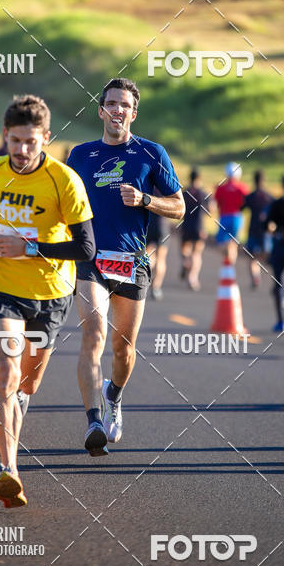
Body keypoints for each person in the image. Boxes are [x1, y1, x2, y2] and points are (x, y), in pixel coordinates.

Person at [0, 96, 94, 507]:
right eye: (15, 141)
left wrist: (30, 248)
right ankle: (9, 470)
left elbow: (86, 248)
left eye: (31, 142)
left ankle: (13, 418)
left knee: (27, 384)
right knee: (6, 372)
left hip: (50, 295)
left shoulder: (64, 181)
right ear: (5, 136)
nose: (22, 150)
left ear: (45, 138)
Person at [67, 78, 184, 456]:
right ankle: (94, 422)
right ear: (100, 110)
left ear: (134, 113)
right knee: (94, 334)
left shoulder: (152, 153)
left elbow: (180, 208)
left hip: (131, 262)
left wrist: (146, 199)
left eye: (125, 105)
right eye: (111, 103)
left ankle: (113, 395)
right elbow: (62, 205)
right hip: (89, 260)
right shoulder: (80, 155)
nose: (118, 110)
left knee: (123, 350)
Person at [264, 175, 284, 334]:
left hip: (281, 246)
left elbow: (268, 225)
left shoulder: (277, 203)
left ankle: (282, 322)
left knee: (278, 285)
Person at [242, 170, 273, 288]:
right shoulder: (269, 197)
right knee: (263, 254)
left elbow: (241, 208)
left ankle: (255, 277)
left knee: (252, 257)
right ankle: (260, 273)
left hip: (253, 229)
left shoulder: (250, 197)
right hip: (266, 232)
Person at [214, 162, 249, 265]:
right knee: (233, 244)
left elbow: (216, 203)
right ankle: (230, 265)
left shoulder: (221, 188)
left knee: (222, 244)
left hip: (224, 217)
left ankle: (228, 263)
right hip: (237, 218)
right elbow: (245, 203)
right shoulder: (242, 188)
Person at [180, 168, 209, 291]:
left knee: (184, 250)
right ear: (199, 178)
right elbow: (210, 210)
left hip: (186, 226)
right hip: (199, 227)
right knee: (197, 254)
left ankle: (186, 263)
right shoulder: (203, 194)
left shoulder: (184, 192)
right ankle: (193, 278)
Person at [145, 196, 169, 301]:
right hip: (162, 225)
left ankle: (146, 280)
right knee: (161, 258)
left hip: (149, 223)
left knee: (147, 255)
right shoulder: (164, 186)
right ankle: (156, 287)